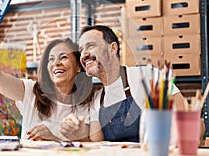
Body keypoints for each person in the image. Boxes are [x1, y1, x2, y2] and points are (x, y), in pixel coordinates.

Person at [0, 8, 103, 141]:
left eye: (63, 57)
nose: (56, 63)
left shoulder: (90, 102)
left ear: (79, 66)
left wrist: (55, 139)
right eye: (51, 59)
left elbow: (97, 146)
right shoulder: (30, 92)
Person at [60, 25, 188, 142]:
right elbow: (97, 144)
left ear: (112, 48)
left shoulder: (147, 76)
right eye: (81, 50)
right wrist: (78, 135)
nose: (84, 55)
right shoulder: (97, 99)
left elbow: (189, 122)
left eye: (91, 45)